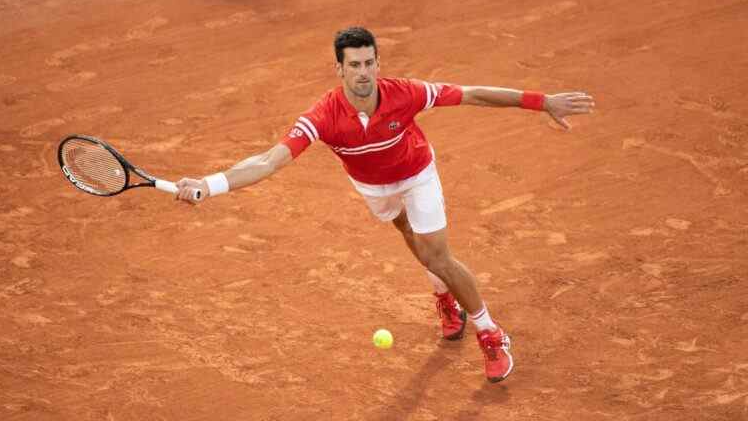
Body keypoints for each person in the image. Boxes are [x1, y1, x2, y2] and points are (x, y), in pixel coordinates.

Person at [176, 27, 595, 383]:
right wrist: (209, 185)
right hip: (373, 188)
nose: (363, 73)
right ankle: (444, 296)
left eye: (369, 63)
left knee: (438, 255)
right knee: (408, 234)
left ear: (378, 63)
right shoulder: (323, 115)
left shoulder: (405, 93)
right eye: (354, 65)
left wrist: (542, 101)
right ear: (339, 69)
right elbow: (269, 160)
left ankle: (490, 332)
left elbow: (472, 95)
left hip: (417, 175)